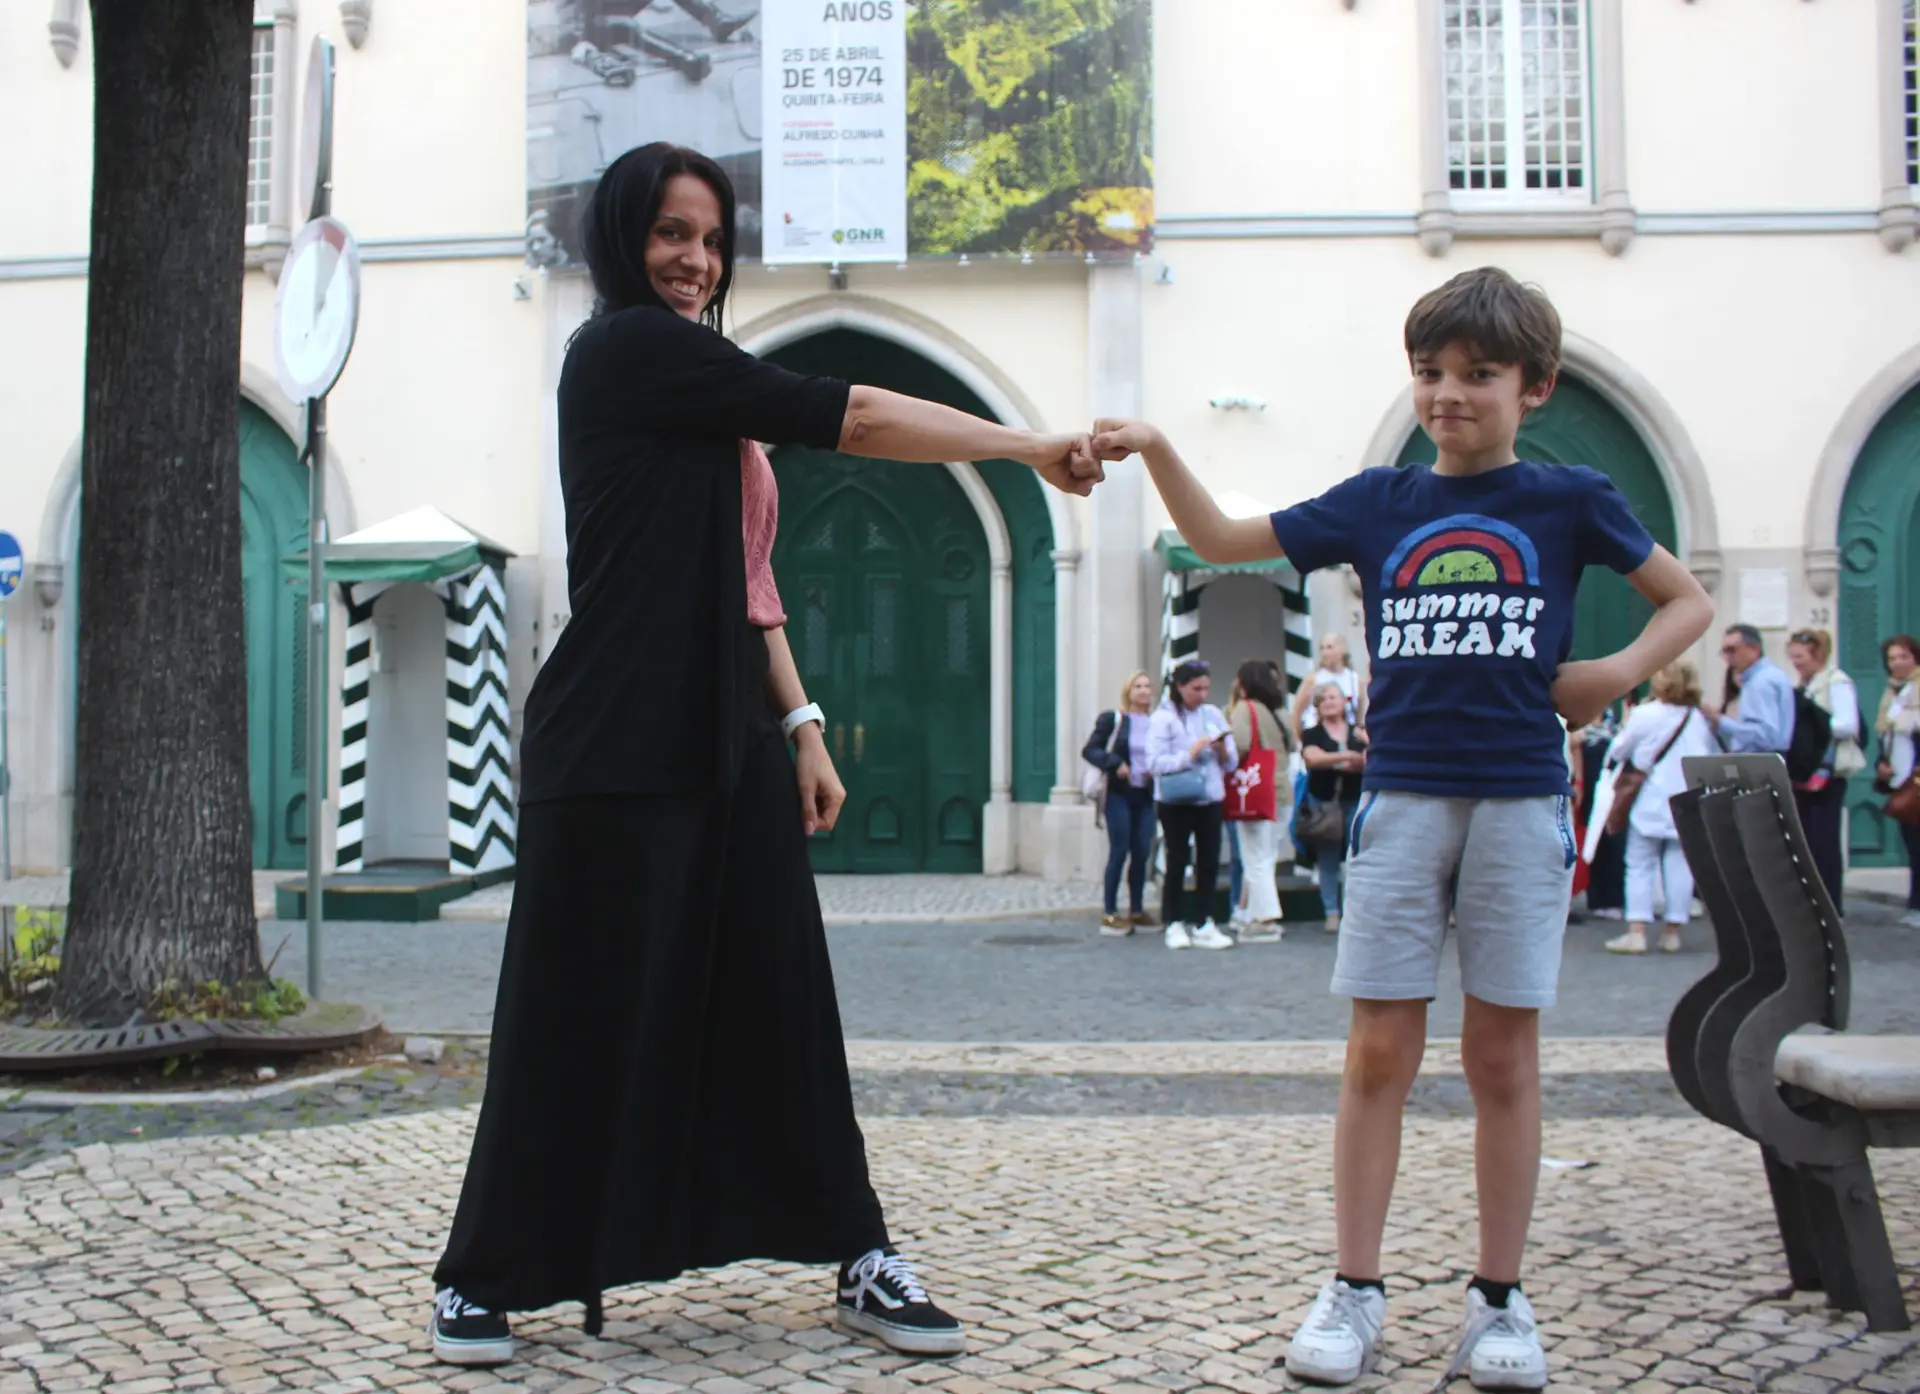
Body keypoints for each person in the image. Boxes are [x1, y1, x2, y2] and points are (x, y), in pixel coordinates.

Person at [427, 142, 1101, 1368]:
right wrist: (1027, 446)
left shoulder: (711, 400)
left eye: (709, 238)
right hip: (616, 733)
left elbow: (747, 584)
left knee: (780, 1000)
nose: (694, 260)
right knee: (574, 1010)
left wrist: (801, 724)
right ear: (623, 243)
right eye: (668, 234)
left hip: (725, 732)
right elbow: (853, 413)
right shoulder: (626, 350)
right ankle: (482, 1272)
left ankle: (857, 1248)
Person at [1090, 265, 1715, 1390]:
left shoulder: (1569, 496)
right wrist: (1158, 446)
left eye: (1479, 375)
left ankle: (1499, 1298)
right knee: (1378, 1049)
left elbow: (1688, 598)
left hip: (1524, 797)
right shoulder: (1382, 502)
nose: (1449, 395)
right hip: (1404, 796)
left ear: (1537, 385)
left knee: (1503, 1057)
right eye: (1430, 373)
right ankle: (1356, 1285)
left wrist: (1610, 674)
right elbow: (1229, 536)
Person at [1601, 661, 1716, 954]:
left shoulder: (1645, 714)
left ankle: (1636, 930)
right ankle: (1672, 932)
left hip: (1650, 798)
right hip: (1687, 797)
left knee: (1640, 863)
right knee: (1679, 863)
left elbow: (1618, 749)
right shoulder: (1698, 717)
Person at [1147, 659, 1239, 950]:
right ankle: (1173, 921)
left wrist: (1222, 748)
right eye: (1195, 688)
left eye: (1206, 688)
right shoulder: (1163, 719)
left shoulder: (1212, 714)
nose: (1201, 694)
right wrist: (1191, 753)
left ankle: (1204, 920)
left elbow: (1232, 761)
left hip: (1209, 797)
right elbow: (1155, 762)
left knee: (1209, 861)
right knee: (1177, 860)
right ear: (1180, 687)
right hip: (1175, 799)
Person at [1786, 627, 1865, 912]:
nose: (1795, 662)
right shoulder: (1806, 685)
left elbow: (1847, 724)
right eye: (1792, 656)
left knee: (1824, 841)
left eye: (1800, 656)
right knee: (1808, 841)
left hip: (1828, 773)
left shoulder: (1836, 682)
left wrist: (1813, 726)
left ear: (1817, 654)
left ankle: (1831, 904)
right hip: (1805, 773)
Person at [1085, 671, 1160, 935]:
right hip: (1119, 794)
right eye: (1137, 686)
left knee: (1142, 850)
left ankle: (1137, 909)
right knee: (1120, 849)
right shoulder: (1114, 720)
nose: (1143, 691)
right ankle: (1109, 911)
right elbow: (1091, 750)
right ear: (1128, 692)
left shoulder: (1156, 722)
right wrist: (1116, 763)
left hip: (1145, 794)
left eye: (1147, 686)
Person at [1226, 659, 1295, 943]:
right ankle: (1251, 914)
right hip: (1281, 790)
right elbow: (1292, 744)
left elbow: (1240, 745)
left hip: (1256, 790)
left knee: (1255, 858)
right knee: (1267, 857)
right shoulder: (1279, 711)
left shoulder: (1246, 708)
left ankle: (1264, 919)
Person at [1300, 683, 1367, 934]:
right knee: (1327, 859)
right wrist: (1347, 757)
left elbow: (1370, 759)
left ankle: (1354, 912)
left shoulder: (1358, 732)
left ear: (1344, 701)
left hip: (1354, 798)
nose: (1329, 701)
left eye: (1333, 697)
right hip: (1324, 802)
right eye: (1323, 698)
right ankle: (1331, 912)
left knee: (1355, 857)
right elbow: (1313, 758)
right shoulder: (1313, 733)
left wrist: (1342, 758)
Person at [1875, 634, 1920, 927]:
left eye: (1902, 656)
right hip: (1901, 779)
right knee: (1912, 843)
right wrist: (1882, 763)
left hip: (1916, 778)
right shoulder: (1893, 693)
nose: (1897, 663)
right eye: (1892, 658)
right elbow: (1887, 735)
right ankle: (1915, 902)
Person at [1706, 624, 1795, 757]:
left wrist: (1720, 722)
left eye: (1732, 650)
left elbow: (1766, 736)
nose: (1727, 657)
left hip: (1761, 760)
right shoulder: (1765, 676)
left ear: (1754, 649)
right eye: (1724, 651)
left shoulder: (1761, 682)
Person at [1292, 632, 1364, 740]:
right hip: (1318, 739)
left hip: (1347, 739)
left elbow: (1359, 715)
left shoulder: (1354, 679)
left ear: (1343, 650)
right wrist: (1301, 741)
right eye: (1322, 648)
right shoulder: (1313, 679)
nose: (1324, 652)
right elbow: (1297, 712)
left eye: (1329, 647)